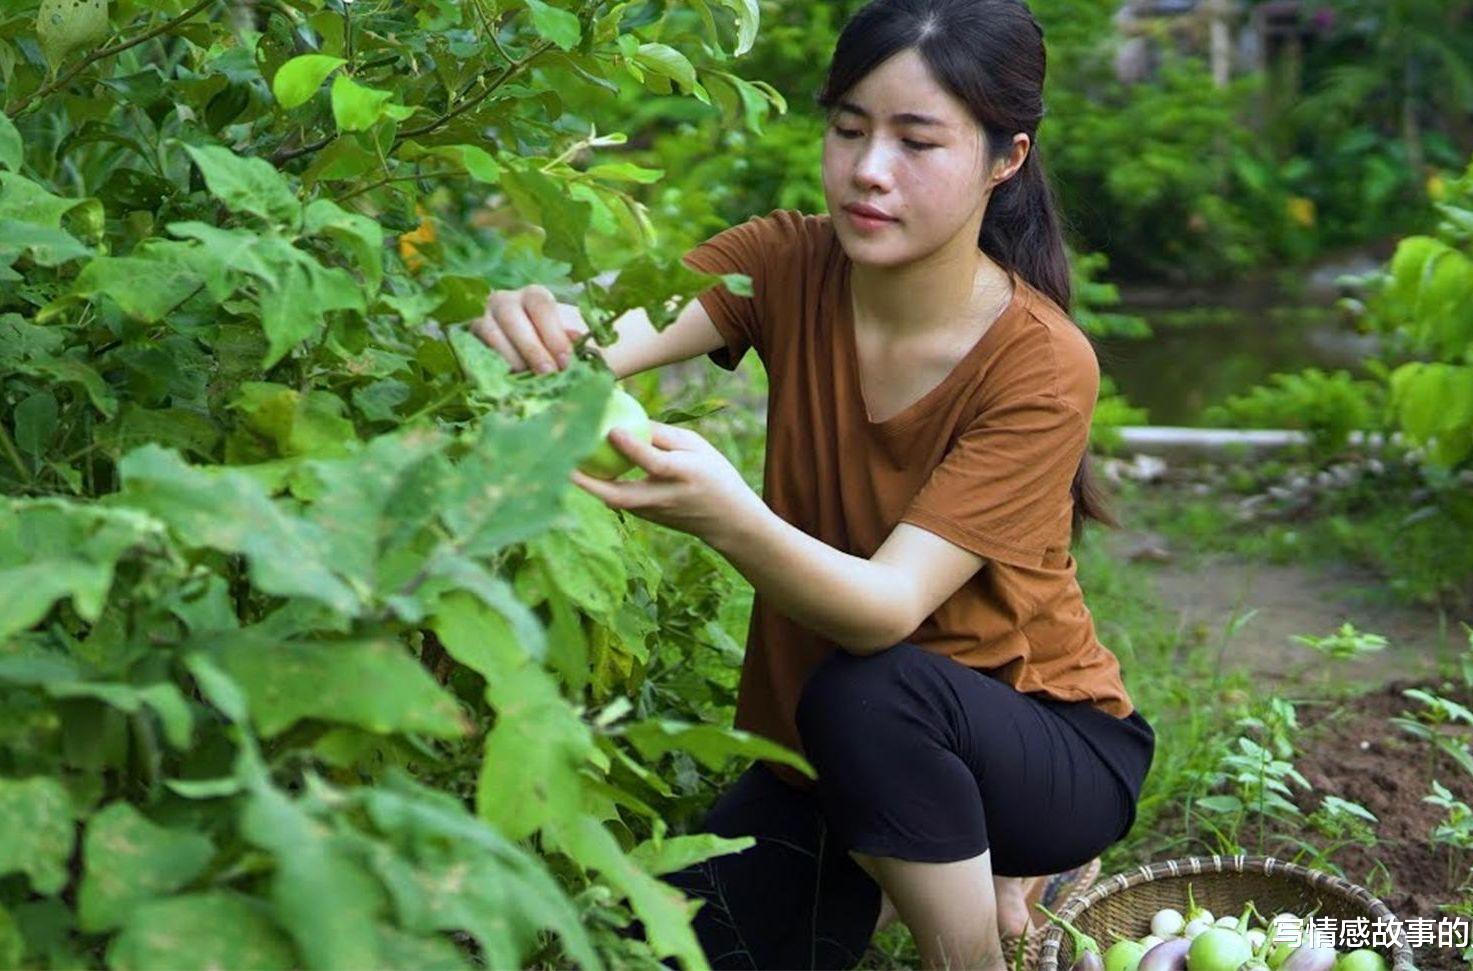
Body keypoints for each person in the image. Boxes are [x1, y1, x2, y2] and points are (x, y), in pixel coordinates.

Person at [468, 1, 1155, 967]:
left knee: (868, 690)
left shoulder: (1040, 362)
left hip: (1041, 746)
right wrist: (527, 325)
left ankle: (978, 941)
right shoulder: (783, 262)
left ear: (1005, 161)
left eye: (917, 141)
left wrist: (726, 515)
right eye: (848, 130)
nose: (869, 171)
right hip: (820, 757)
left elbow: (884, 611)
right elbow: (596, 341)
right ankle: (929, 868)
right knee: (670, 945)